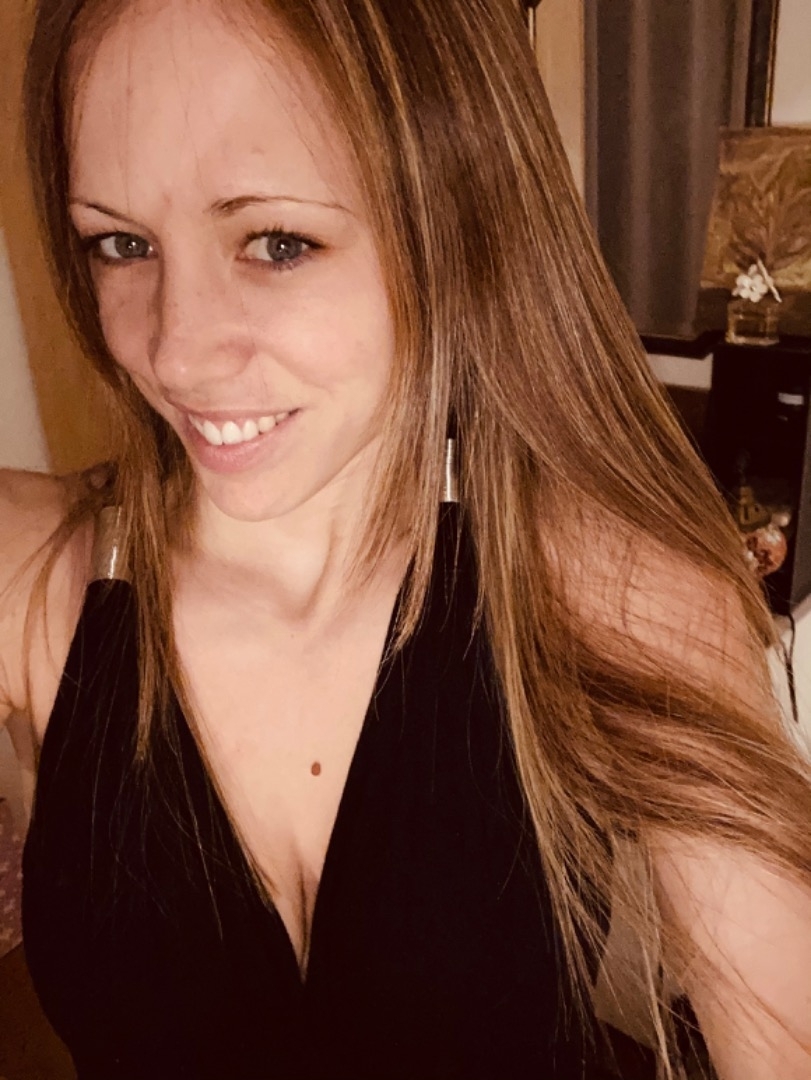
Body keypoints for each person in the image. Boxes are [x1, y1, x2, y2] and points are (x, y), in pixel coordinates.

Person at [1, 0, 810, 1076]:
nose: (177, 350)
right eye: (121, 244)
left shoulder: (619, 590)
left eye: (277, 243)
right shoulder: (34, 570)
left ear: (456, 228)